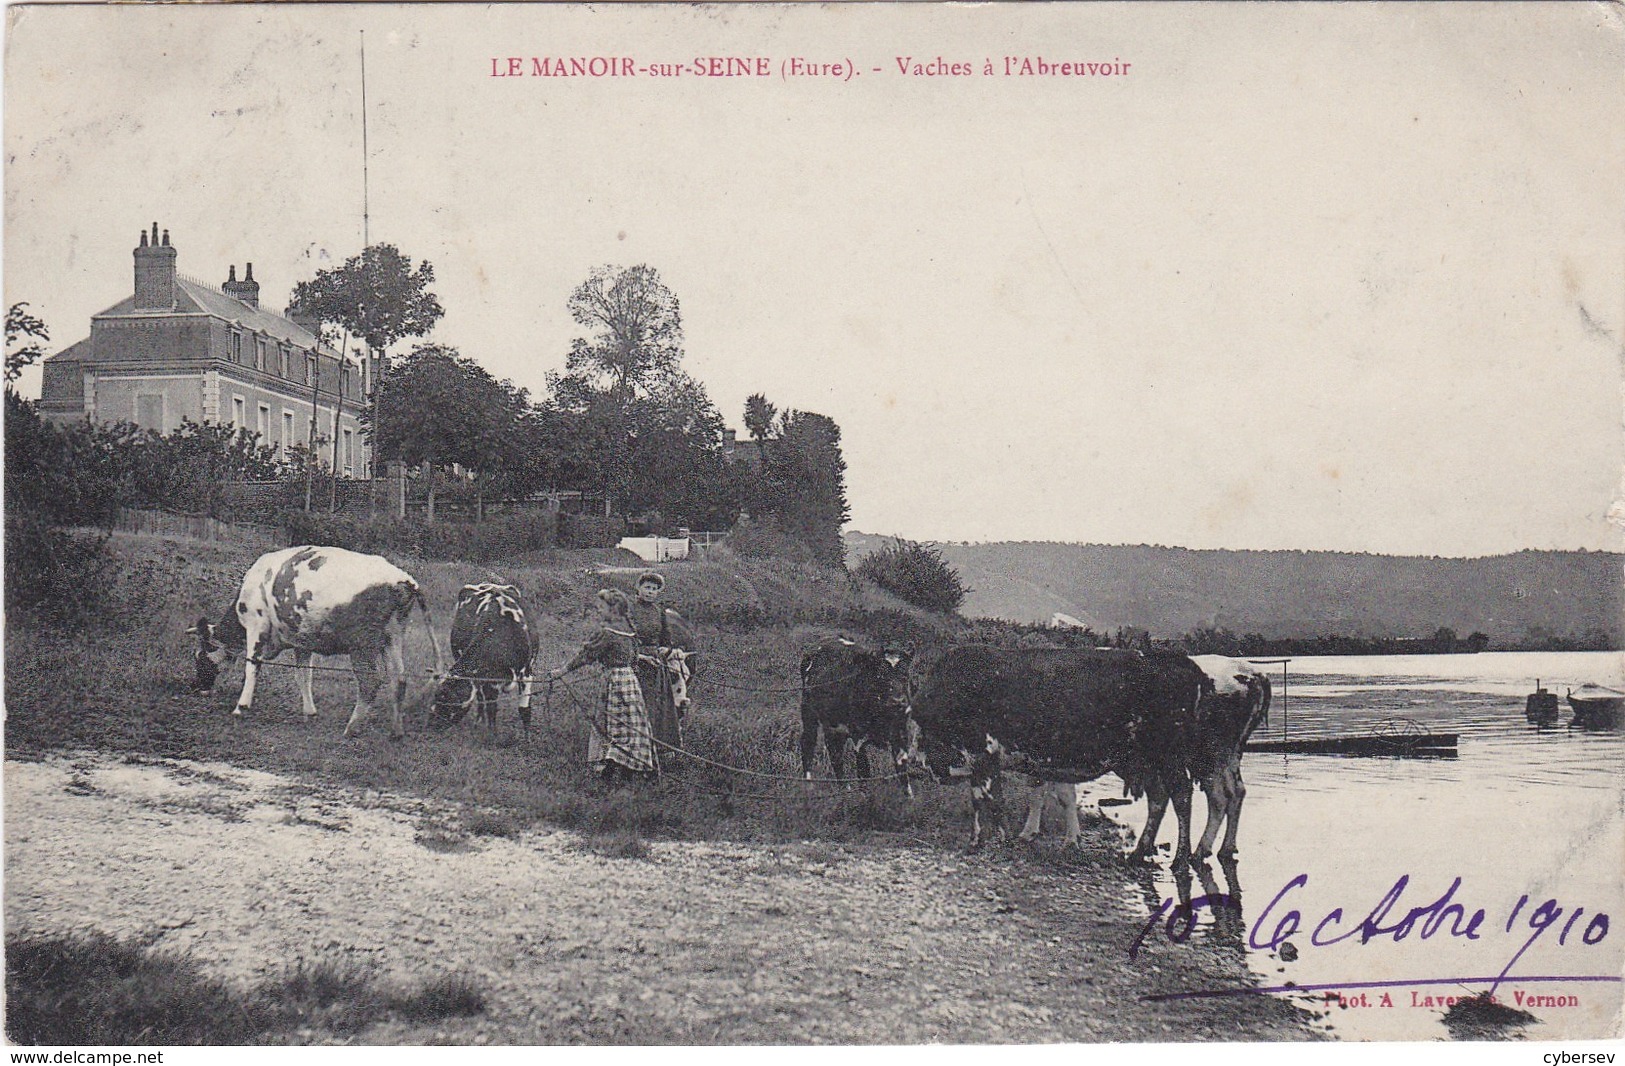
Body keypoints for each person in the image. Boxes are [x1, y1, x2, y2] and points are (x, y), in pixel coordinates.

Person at [549, 588, 657, 782]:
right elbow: (628, 654)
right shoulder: (628, 628)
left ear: (613, 609)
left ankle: (612, 766)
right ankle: (629, 765)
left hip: (614, 681)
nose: (598, 610)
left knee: (610, 724)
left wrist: (562, 671)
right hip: (630, 681)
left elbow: (586, 655)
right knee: (631, 725)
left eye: (601, 607)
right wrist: (645, 658)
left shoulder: (607, 633)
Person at [629, 570, 698, 754]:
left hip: (656, 665)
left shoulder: (659, 612)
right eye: (647, 587)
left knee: (658, 706)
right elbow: (625, 637)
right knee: (638, 706)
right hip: (635, 661)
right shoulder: (630, 610)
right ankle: (634, 748)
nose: (650, 592)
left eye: (654, 589)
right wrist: (639, 655)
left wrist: (666, 649)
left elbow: (666, 638)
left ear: (658, 592)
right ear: (638, 588)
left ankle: (655, 748)